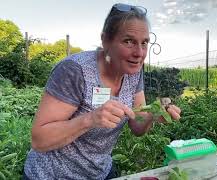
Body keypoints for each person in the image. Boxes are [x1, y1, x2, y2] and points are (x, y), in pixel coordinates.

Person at [23, 3, 181, 180]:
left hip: (99, 172)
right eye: (128, 41)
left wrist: (153, 113)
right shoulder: (75, 70)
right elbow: (39, 140)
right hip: (52, 174)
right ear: (105, 40)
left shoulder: (133, 71)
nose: (139, 53)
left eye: (144, 43)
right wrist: (90, 119)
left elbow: (137, 125)